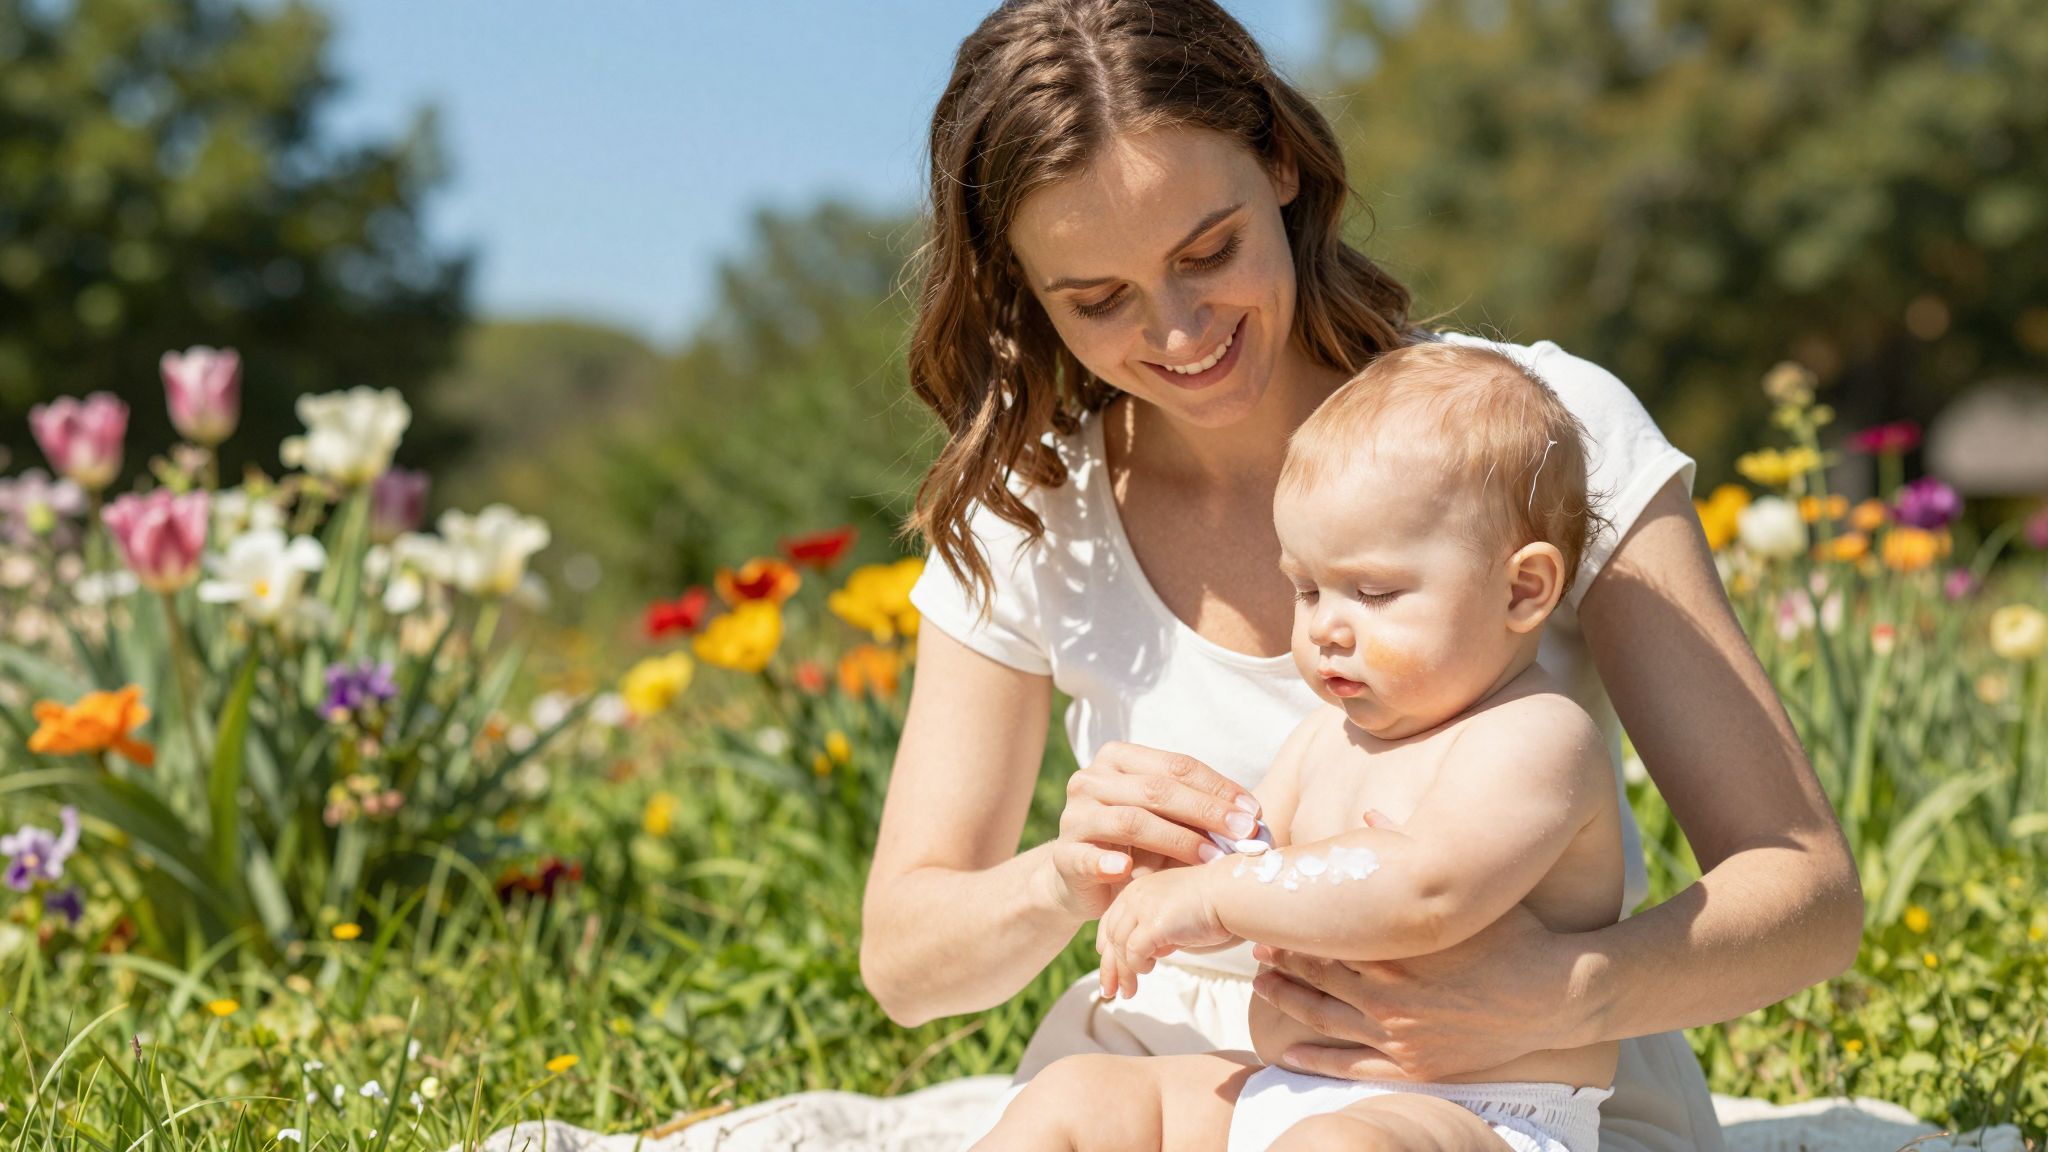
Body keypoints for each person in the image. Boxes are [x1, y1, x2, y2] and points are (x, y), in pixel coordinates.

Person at [859, 3, 1864, 1150]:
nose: (1178, 330)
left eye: (1207, 252)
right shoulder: (1031, 512)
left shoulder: (1526, 441)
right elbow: (905, 967)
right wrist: (1068, 875)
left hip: (1503, 1081)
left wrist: (1554, 994)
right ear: (1021, 286)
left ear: (1280, 165)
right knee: (1069, 1113)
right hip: (1177, 1077)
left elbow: (1806, 897)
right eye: (1096, 299)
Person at [971, 342, 1628, 1152]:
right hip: (1291, 1087)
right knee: (1080, 1094)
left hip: (1478, 1110)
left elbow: (1426, 889)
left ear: (1523, 589)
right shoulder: (1324, 739)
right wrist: (1172, 876)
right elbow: (1254, 864)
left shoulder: (1536, 736)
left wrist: (1217, 898)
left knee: (1337, 1147)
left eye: (1374, 592)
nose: (1326, 627)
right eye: (1307, 589)